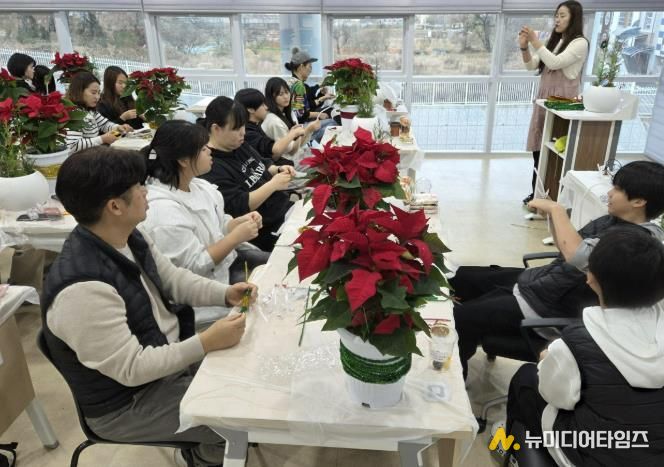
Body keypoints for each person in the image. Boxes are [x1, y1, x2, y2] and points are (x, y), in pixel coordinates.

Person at [41, 146, 257, 466]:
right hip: (127, 404)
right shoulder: (81, 290)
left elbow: (174, 279)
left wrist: (225, 294)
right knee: (238, 418)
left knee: (250, 372)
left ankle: (207, 445)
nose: (146, 192)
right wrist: (205, 342)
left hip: (164, 362)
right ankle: (205, 456)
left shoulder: (128, 235)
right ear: (115, 206)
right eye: (139, 187)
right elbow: (133, 369)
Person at [450, 161, 664, 379]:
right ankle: (468, 338)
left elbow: (576, 255)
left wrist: (556, 209)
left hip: (550, 306)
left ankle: (455, 382)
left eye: (617, 189)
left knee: (460, 318)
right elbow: (566, 246)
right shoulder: (614, 220)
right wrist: (552, 217)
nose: (609, 193)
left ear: (638, 201)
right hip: (545, 283)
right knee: (461, 277)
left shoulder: (634, 244)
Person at [506, 226, 664, 466]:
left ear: (590, 278)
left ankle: (508, 447)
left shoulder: (577, 342)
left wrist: (549, 359)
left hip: (592, 455)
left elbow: (556, 397)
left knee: (526, 379)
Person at [140, 120, 270, 325]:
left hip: (230, 263)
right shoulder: (163, 212)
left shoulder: (198, 186)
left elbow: (218, 224)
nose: (210, 150)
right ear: (183, 160)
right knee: (270, 299)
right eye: (202, 149)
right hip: (206, 293)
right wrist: (235, 238)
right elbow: (192, 268)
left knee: (279, 266)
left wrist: (238, 224)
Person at [199, 96, 295, 252]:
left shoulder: (238, 144)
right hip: (266, 227)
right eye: (236, 128)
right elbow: (240, 205)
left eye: (243, 125)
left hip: (284, 208)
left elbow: (262, 164)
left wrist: (278, 169)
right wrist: (273, 185)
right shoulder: (209, 165)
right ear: (216, 129)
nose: (242, 132)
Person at [521, 1, 588, 205]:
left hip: (561, 105)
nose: (557, 19)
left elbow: (555, 63)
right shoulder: (556, 41)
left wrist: (535, 41)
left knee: (554, 151)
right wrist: (524, 47)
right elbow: (532, 65)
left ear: (574, 18)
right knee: (538, 151)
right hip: (545, 102)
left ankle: (551, 198)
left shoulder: (579, 43)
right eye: (556, 15)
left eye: (562, 15)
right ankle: (537, 194)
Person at [233, 88, 307, 166]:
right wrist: (293, 134)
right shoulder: (248, 132)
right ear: (251, 109)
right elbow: (275, 151)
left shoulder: (257, 125)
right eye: (262, 105)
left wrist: (293, 134)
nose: (266, 107)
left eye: (287, 92)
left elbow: (273, 156)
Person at [65, 71, 132, 154]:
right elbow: (72, 146)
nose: (97, 97)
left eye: (98, 93)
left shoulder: (90, 110)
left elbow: (104, 125)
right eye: (93, 93)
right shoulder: (73, 113)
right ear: (79, 91)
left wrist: (118, 128)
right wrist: (102, 139)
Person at [262, 77, 320, 169]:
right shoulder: (274, 121)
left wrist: (306, 131)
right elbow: (291, 151)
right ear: (272, 97)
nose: (286, 96)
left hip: (295, 154)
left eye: (287, 92)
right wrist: (308, 130)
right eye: (280, 94)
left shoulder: (287, 112)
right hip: (287, 163)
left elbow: (297, 145)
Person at [284, 47, 335, 142]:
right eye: (309, 66)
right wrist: (320, 115)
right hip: (299, 128)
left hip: (292, 126)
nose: (311, 70)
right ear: (301, 67)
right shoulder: (299, 86)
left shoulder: (290, 82)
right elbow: (300, 114)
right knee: (333, 123)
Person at [98, 66, 145, 130]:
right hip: (119, 136)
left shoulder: (127, 97)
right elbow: (104, 129)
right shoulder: (103, 103)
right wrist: (123, 118)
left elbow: (139, 126)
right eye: (120, 83)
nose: (124, 86)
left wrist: (143, 117)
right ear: (110, 83)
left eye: (126, 83)